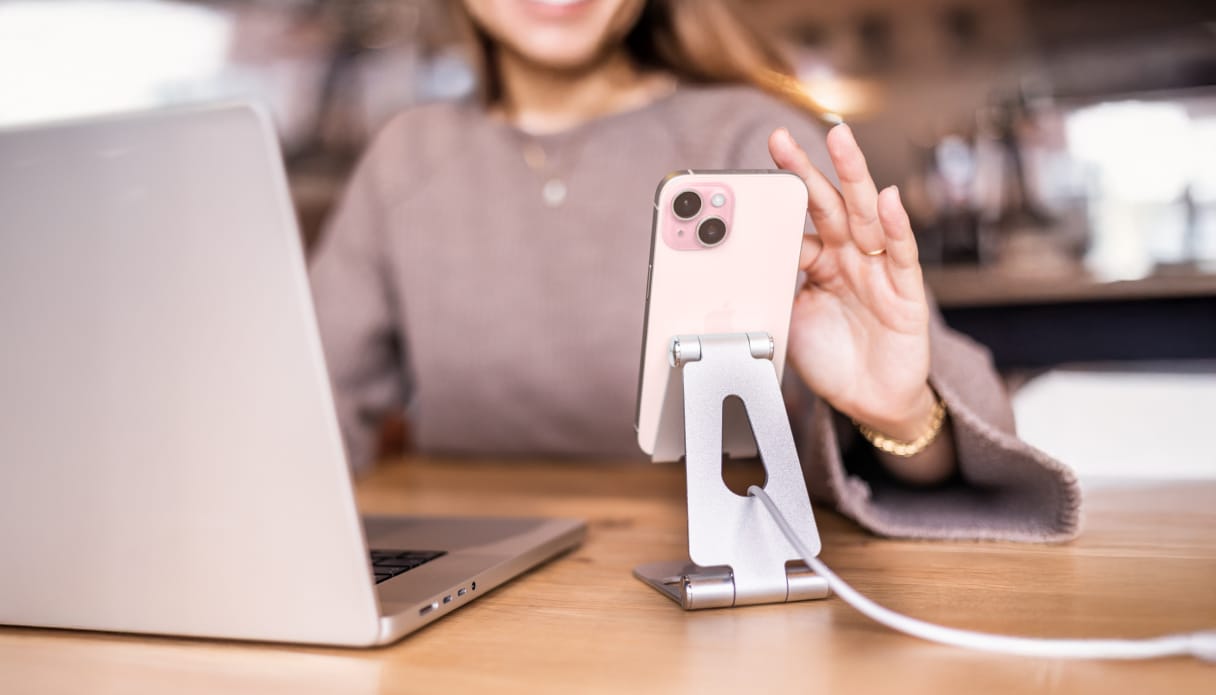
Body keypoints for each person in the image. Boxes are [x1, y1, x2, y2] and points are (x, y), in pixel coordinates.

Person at [309, 0, 1079, 542]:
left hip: (716, 596)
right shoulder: (406, 158)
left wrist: (898, 413)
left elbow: (962, 440)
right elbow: (310, 409)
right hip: (467, 608)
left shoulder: (754, 138)